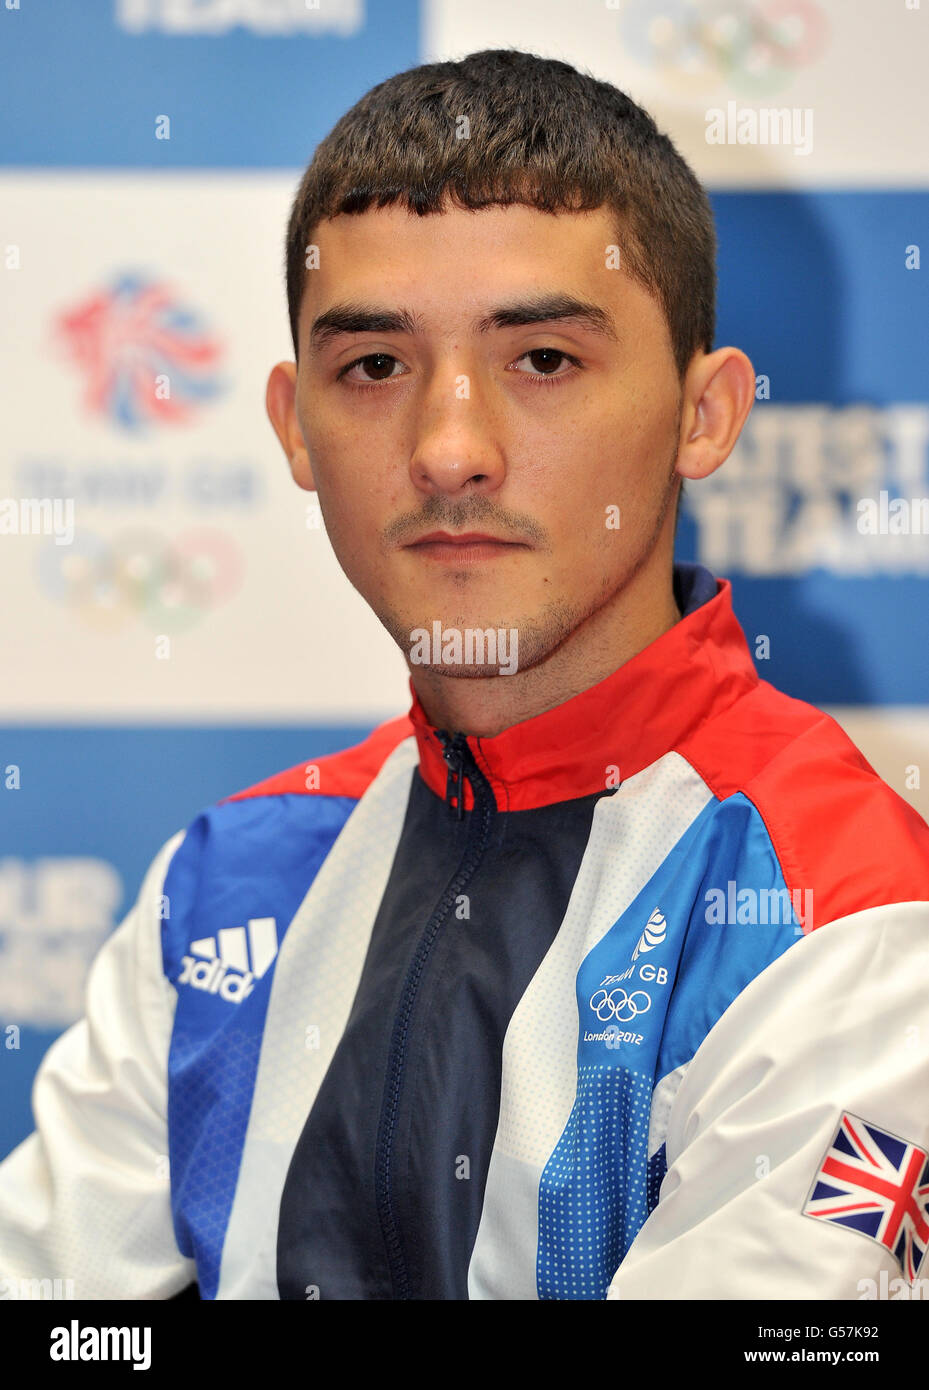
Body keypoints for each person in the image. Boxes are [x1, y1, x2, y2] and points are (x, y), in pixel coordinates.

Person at [1, 47, 928, 1303]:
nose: (447, 450)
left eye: (540, 359)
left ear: (703, 416)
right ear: (292, 427)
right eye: (374, 367)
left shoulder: (851, 920)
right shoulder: (227, 882)